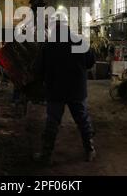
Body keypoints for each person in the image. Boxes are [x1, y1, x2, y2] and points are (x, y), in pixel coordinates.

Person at [35, 21, 96, 165]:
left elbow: (39, 69)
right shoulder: (80, 42)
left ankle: (45, 155)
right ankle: (90, 150)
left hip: (56, 90)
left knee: (52, 122)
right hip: (76, 90)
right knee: (82, 120)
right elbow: (90, 62)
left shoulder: (48, 45)